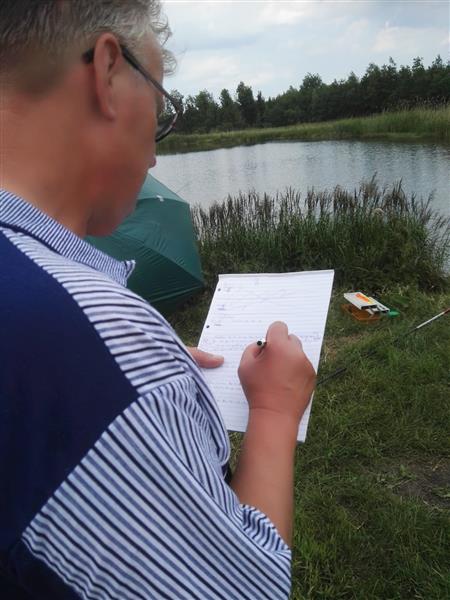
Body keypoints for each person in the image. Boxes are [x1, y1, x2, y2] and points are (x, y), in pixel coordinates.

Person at [0, 1, 316, 598]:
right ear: (107, 73)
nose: (153, 153)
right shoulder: (84, 345)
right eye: (160, 106)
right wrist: (275, 411)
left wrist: (127, 368)